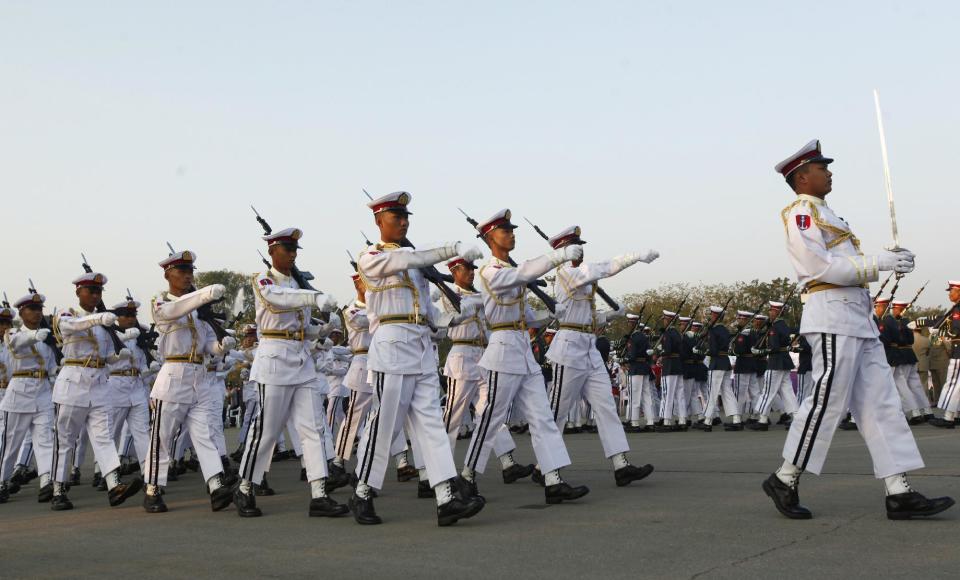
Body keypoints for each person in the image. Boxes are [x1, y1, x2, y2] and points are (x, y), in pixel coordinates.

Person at [762, 139, 953, 520]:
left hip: (857, 319)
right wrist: (879, 263)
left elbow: (849, 263)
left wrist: (890, 260)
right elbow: (819, 268)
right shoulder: (801, 213)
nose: (829, 172)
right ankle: (786, 477)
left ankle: (898, 489)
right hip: (832, 316)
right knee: (827, 399)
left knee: (881, 404)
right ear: (802, 176)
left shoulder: (831, 215)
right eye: (821, 168)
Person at [351, 191, 484, 526]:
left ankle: (445, 498)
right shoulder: (372, 257)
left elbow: (425, 311)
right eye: (396, 217)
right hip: (392, 348)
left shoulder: (417, 264)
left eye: (406, 217)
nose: (403, 222)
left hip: (422, 347)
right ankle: (363, 491)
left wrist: (446, 319)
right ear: (379, 221)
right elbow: (403, 261)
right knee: (386, 425)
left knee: (431, 426)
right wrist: (451, 249)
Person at [234, 227, 348, 518]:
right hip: (274, 360)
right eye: (287, 249)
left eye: (295, 249)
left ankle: (319, 492)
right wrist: (313, 297)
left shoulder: (298, 284)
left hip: (301, 360)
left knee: (313, 427)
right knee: (267, 430)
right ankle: (246, 485)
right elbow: (278, 299)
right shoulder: (264, 280)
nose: (293, 254)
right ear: (272, 252)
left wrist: (321, 328)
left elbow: (302, 328)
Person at [543, 225, 656, 486]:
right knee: (557, 411)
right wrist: (635, 256)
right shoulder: (566, 275)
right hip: (569, 346)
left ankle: (620, 464)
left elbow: (587, 316)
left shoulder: (581, 277)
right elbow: (606, 267)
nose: (580, 250)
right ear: (563, 251)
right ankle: (545, 466)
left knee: (606, 405)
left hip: (588, 346)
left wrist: (611, 314)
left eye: (581, 245)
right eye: (575, 246)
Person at [142, 250, 236, 513]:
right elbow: (174, 310)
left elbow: (206, 344)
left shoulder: (198, 313)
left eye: (189, 271)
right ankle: (152, 488)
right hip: (173, 376)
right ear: (167, 274)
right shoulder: (161, 304)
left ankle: (216, 485)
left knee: (204, 431)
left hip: (200, 375)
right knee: (162, 436)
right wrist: (204, 294)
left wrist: (219, 346)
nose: (187, 275)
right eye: (181, 271)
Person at [50, 272, 142, 510]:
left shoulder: (105, 325)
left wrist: (115, 357)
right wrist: (99, 318)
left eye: (98, 291)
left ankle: (114, 485)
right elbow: (70, 328)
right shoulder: (67, 313)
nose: (95, 295)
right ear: (78, 292)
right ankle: (59, 487)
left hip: (100, 382)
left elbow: (105, 356)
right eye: (90, 290)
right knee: (66, 438)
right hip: (73, 381)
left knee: (103, 435)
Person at [0, 293, 57, 504]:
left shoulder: (47, 338)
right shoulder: (13, 333)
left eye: (39, 309)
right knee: (11, 443)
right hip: (19, 391)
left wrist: (57, 370)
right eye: (32, 309)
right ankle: (2, 481)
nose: (36, 312)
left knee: (44, 439)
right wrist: (35, 336)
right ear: (22, 313)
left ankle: (46, 481)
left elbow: (51, 366)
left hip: (42, 391)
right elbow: (16, 344)